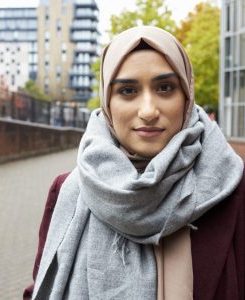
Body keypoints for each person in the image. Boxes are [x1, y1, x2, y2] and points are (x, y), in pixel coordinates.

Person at [24, 26, 245, 300]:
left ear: (186, 96)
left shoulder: (231, 187)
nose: (149, 111)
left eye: (165, 88)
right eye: (128, 91)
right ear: (107, 102)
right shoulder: (67, 190)